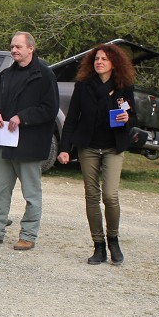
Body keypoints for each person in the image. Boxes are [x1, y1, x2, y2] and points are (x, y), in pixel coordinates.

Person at [0, 32, 60, 251]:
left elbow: (50, 109)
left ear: (31, 48)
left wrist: (23, 117)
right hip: (3, 142)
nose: (14, 50)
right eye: (12, 47)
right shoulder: (4, 76)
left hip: (29, 145)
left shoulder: (45, 75)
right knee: (0, 190)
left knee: (31, 194)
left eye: (18, 47)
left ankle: (28, 235)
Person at [57, 44, 138, 265]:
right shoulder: (83, 86)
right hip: (88, 147)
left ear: (114, 63)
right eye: (96, 59)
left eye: (104, 59)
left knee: (110, 196)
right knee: (91, 197)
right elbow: (71, 118)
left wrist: (126, 120)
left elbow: (134, 118)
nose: (99, 62)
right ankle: (98, 246)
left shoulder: (124, 86)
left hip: (113, 147)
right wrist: (64, 148)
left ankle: (113, 240)